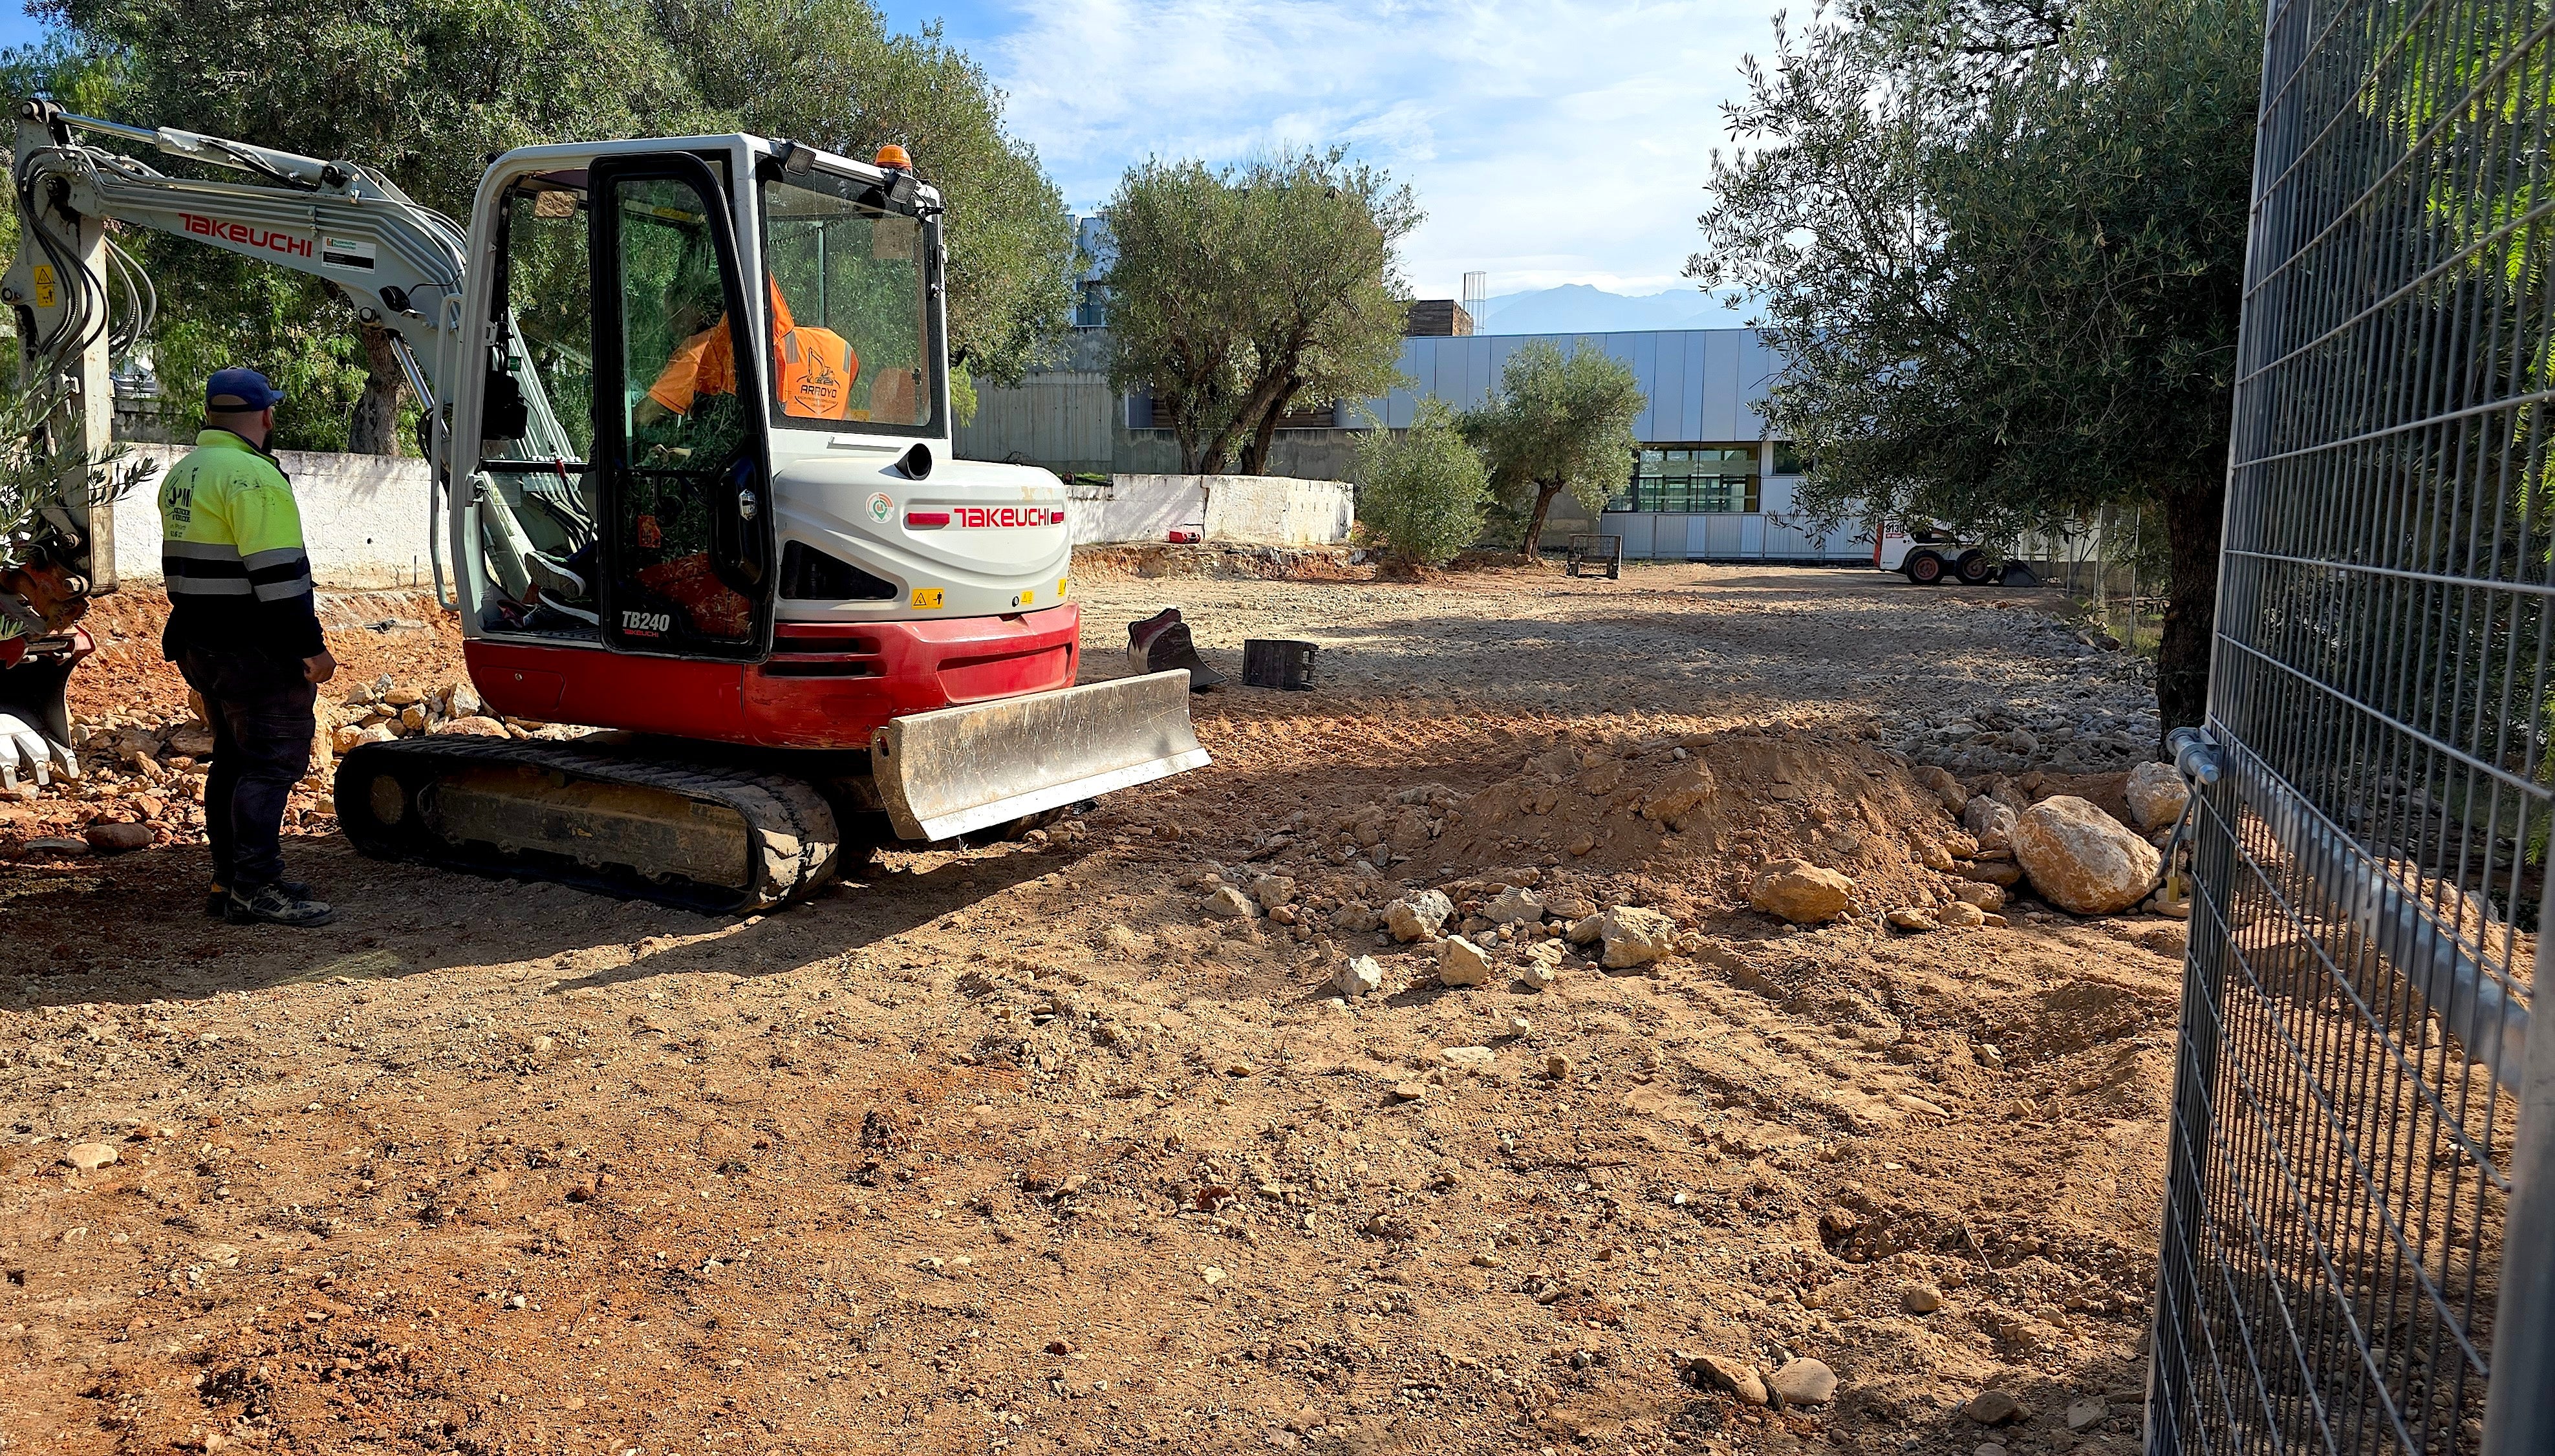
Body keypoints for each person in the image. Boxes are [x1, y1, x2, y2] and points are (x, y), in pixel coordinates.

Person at [158, 368, 339, 927]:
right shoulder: (254, 478)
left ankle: (230, 879)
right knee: (269, 765)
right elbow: (280, 576)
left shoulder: (184, 472)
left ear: (212, 415)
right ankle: (257, 888)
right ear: (265, 415)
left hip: (201, 644)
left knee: (234, 761)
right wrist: (311, 649)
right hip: (254, 650)